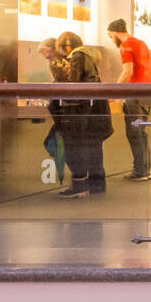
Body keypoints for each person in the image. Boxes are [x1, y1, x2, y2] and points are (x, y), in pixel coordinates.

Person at [55, 31, 114, 197]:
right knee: (94, 147)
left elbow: (73, 82)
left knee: (77, 146)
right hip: (96, 108)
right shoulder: (88, 55)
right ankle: (97, 184)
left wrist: (62, 74)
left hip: (84, 110)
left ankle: (80, 185)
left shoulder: (78, 55)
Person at [106, 19, 151, 181]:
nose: (112, 40)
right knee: (141, 132)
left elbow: (127, 71)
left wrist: (115, 92)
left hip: (135, 94)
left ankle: (140, 171)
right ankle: (145, 169)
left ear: (116, 32)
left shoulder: (125, 46)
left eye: (111, 36)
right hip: (148, 93)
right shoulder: (141, 43)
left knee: (134, 133)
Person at [39, 37, 71, 185]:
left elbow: (61, 82)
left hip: (63, 111)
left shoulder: (56, 62)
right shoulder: (65, 59)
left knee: (55, 142)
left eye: (46, 53)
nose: (45, 57)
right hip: (67, 110)